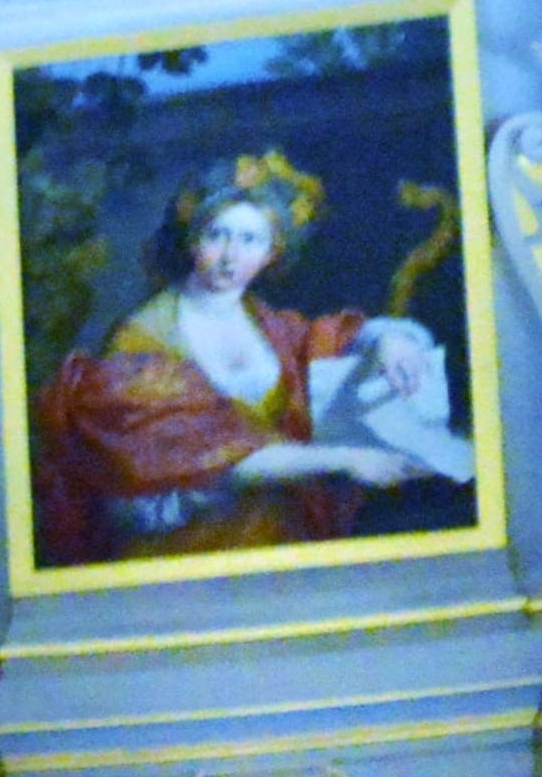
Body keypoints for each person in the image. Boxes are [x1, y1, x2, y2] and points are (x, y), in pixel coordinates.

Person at [38, 149, 478, 566]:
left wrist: (384, 339)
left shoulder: (269, 324)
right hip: (185, 551)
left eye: (250, 240)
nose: (230, 255)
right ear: (193, 241)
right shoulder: (141, 342)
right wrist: (346, 459)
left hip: (279, 533)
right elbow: (215, 457)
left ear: (272, 254)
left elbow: (325, 341)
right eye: (217, 235)